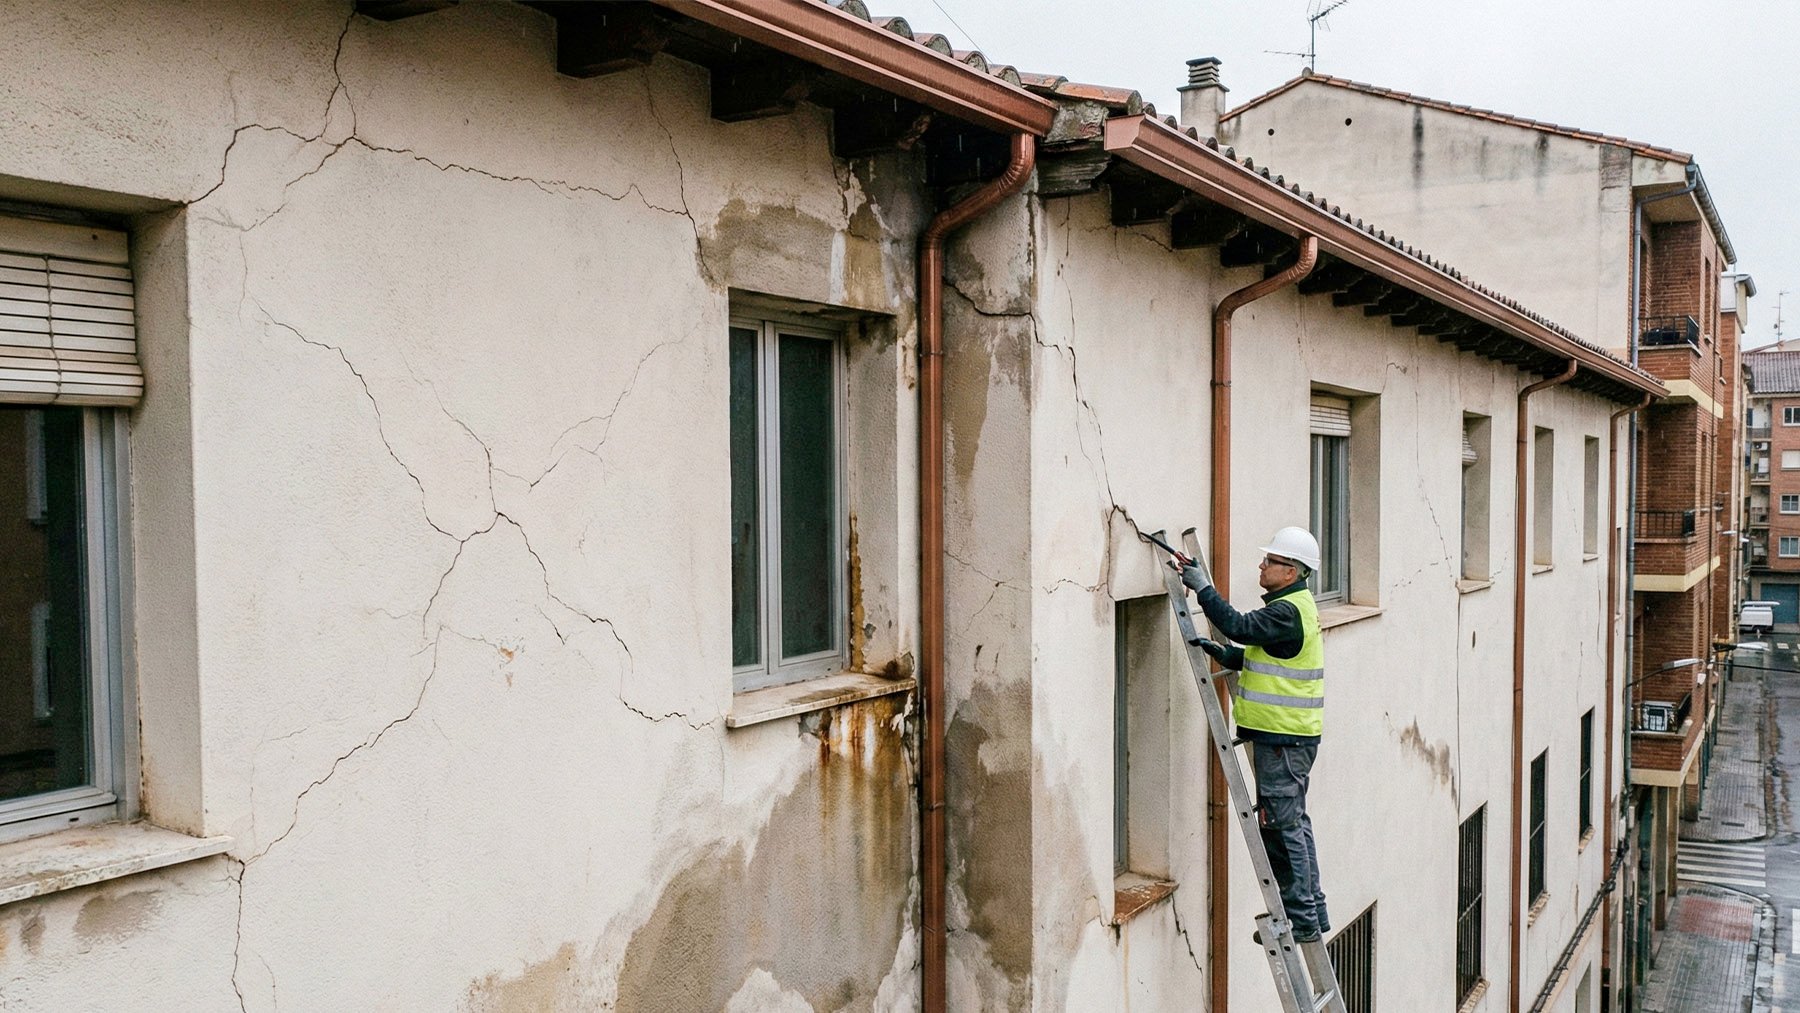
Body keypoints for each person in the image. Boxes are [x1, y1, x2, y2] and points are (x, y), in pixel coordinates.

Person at [1174, 526, 1330, 944]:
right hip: (1287, 738)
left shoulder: (1285, 611)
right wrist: (1231, 657)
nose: (1262, 565)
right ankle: (1312, 910)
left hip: (1283, 738)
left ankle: (1300, 921)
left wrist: (1203, 588)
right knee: (1293, 822)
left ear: (1292, 571)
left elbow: (1241, 625)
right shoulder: (1296, 606)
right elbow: (1272, 653)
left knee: (1282, 825)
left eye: (1271, 561)